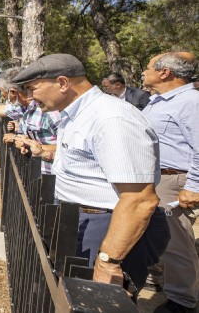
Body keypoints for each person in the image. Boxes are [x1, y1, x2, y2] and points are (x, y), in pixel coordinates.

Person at [13, 53, 169, 296]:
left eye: (33, 88)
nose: (31, 97)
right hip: (83, 220)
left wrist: (109, 260)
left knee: (100, 301)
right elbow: (88, 156)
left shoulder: (110, 118)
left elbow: (139, 199)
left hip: (107, 226)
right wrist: (45, 150)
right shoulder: (78, 114)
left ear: (63, 83)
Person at [141, 52, 199, 313]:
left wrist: (194, 186)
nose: (144, 71)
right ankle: (162, 281)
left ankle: (182, 302)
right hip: (156, 178)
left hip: (173, 180)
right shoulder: (158, 101)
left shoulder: (190, 102)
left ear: (165, 72)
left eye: (148, 67)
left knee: (176, 243)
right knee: (159, 238)